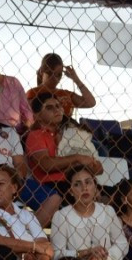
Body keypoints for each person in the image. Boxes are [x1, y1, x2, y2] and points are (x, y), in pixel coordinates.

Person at [50, 163, 132, 260]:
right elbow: (57, 254)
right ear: (70, 191)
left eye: (88, 182)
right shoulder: (61, 216)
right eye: (77, 184)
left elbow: (122, 244)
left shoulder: (108, 211)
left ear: (95, 186)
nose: (84, 188)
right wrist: (84, 253)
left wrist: (103, 258)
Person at [22, 92, 90, 226]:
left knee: (112, 196)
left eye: (58, 106)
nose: (56, 110)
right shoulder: (36, 135)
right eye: (49, 108)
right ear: (37, 116)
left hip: (75, 181)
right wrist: (77, 158)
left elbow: (96, 166)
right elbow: (46, 165)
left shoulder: (69, 135)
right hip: (53, 185)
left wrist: (88, 163)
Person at [25, 53, 96, 116]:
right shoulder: (33, 93)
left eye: (59, 75)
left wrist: (76, 79)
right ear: (41, 71)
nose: (55, 78)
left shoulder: (65, 94)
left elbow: (91, 103)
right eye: (50, 73)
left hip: (67, 126)